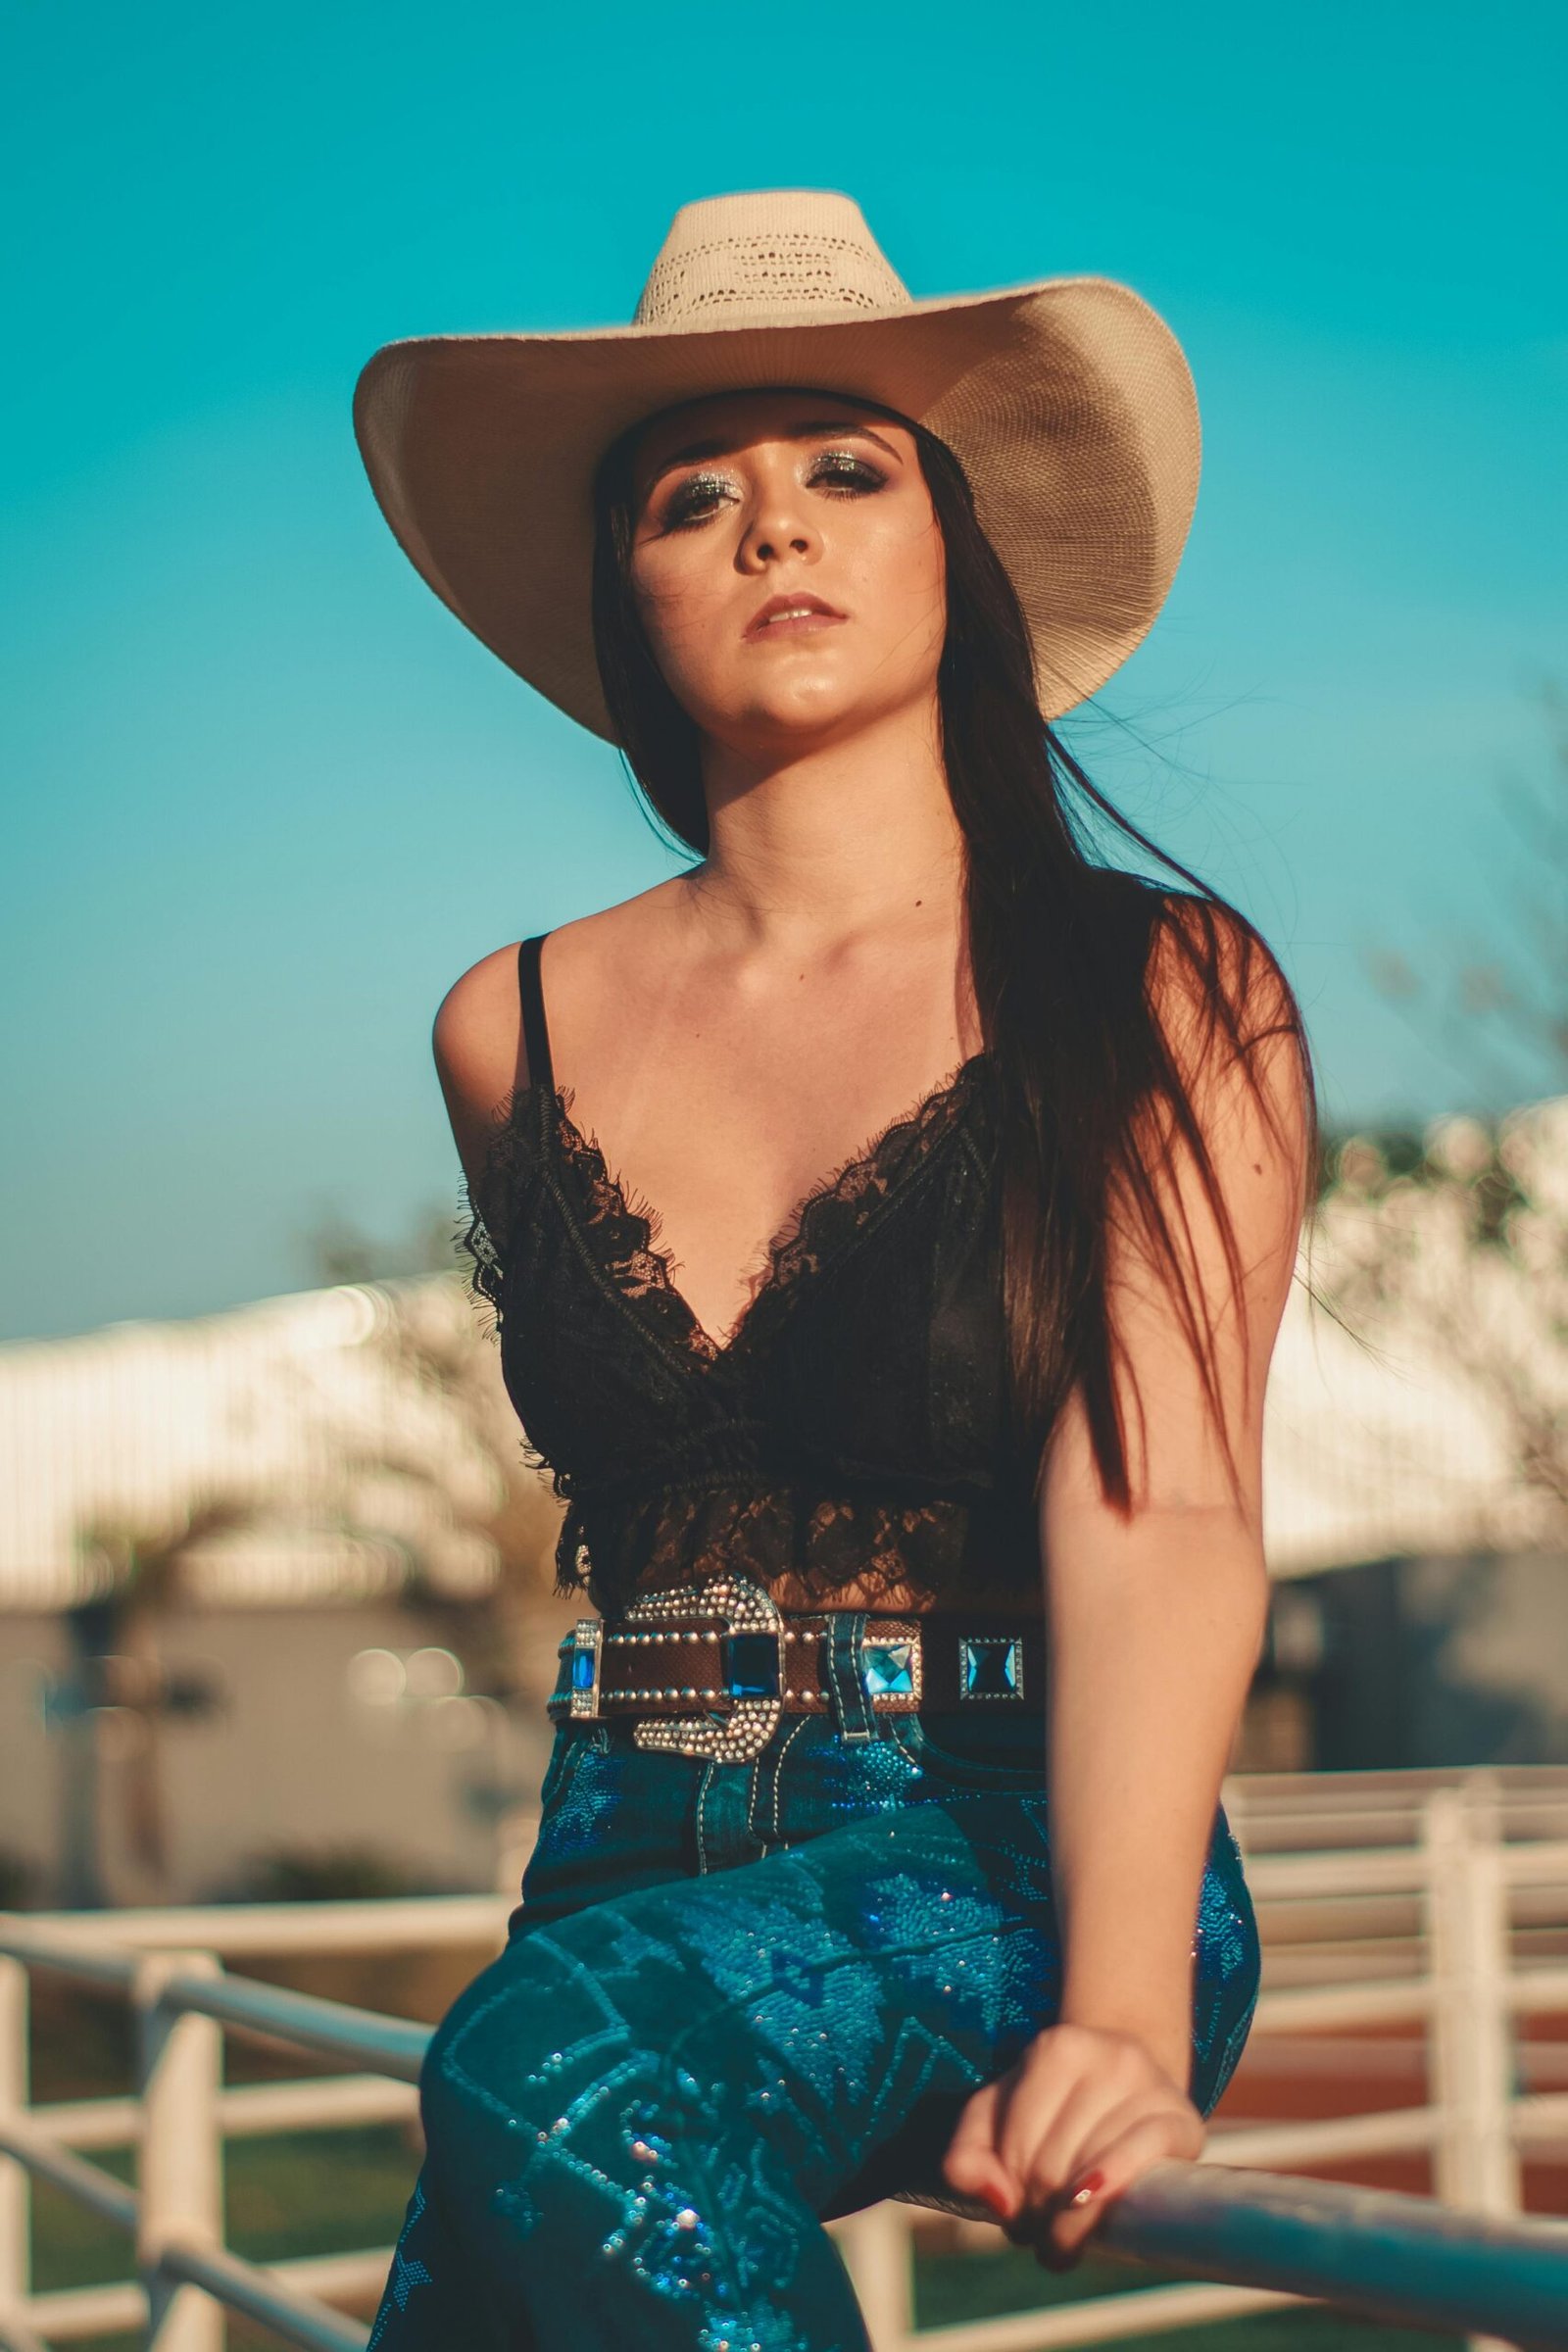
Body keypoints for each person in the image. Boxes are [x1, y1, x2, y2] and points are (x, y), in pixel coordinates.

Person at [354, 187, 1317, 2350]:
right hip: (613, 1848)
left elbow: (1161, 1513)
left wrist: (1124, 2013)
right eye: (694, 499)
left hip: (995, 1843)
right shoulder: (504, 1025)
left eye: (842, 474)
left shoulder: (1152, 977)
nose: (770, 530)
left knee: (547, 2078)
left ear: (948, 549)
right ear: (629, 595)